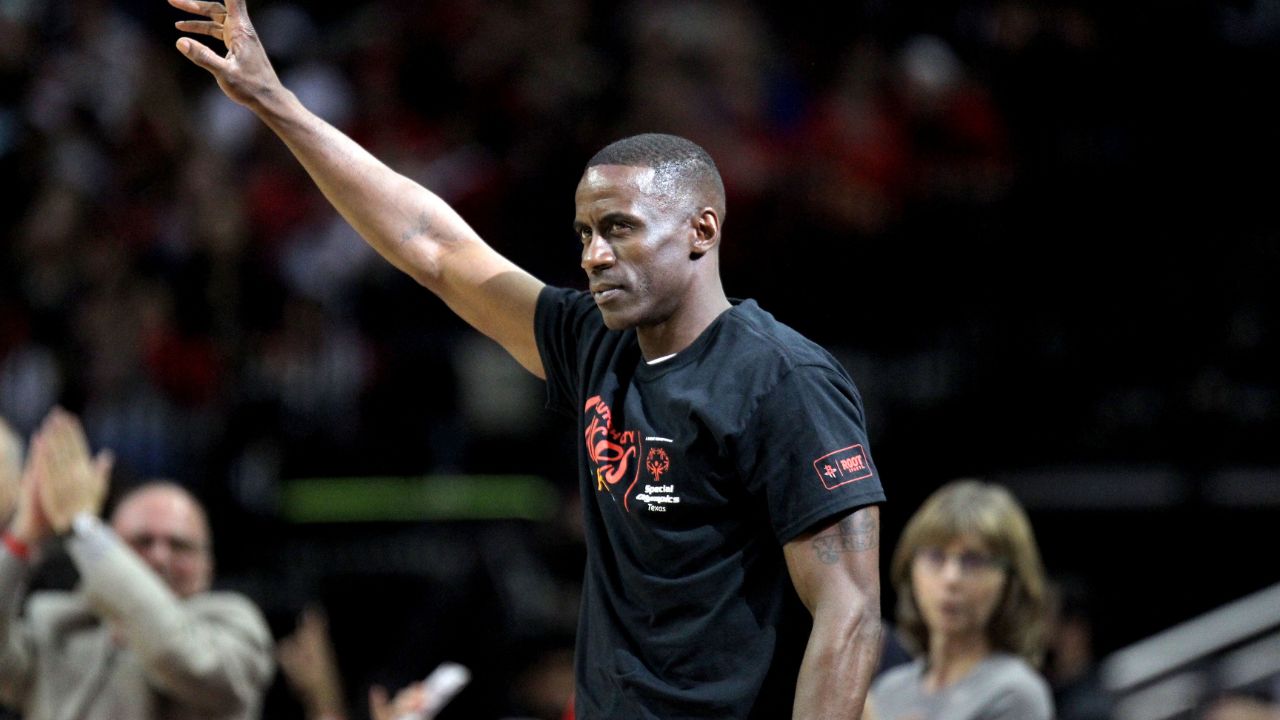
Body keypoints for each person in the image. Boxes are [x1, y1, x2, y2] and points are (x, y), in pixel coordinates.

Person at [171, 0, 887, 716]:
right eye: (584, 233)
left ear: (702, 230)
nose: (593, 255)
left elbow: (850, 613)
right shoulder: (594, 342)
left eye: (619, 228)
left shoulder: (782, 379)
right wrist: (276, 104)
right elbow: (436, 250)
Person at [0, 407, 275, 719]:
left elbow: (177, 653)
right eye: (142, 542)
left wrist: (84, 528)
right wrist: (22, 536)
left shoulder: (236, 624)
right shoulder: (56, 623)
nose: (160, 557)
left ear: (208, 563)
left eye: (180, 546)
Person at [866, 479, 1053, 720]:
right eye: (935, 556)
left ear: (1010, 582)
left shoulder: (1015, 692)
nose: (951, 578)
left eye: (973, 560)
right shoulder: (888, 690)